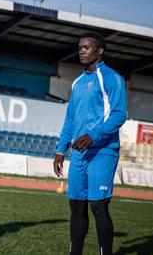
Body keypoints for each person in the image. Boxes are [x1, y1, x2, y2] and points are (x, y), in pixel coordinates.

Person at [53, 31, 127, 255]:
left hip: (103, 151)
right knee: (76, 205)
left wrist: (94, 135)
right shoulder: (77, 82)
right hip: (78, 154)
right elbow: (70, 118)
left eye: (87, 47)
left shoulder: (112, 78)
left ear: (100, 51)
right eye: (80, 47)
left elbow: (119, 114)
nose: (81, 50)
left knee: (98, 206)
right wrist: (60, 149)